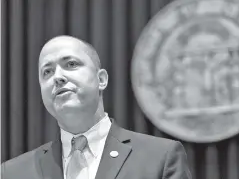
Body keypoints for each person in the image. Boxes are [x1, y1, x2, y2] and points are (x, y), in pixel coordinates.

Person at [1, 36, 192, 179]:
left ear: (101, 79)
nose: (57, 77)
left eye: (71, 64)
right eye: (47, 72)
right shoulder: (12, 173)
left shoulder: (160, 157)